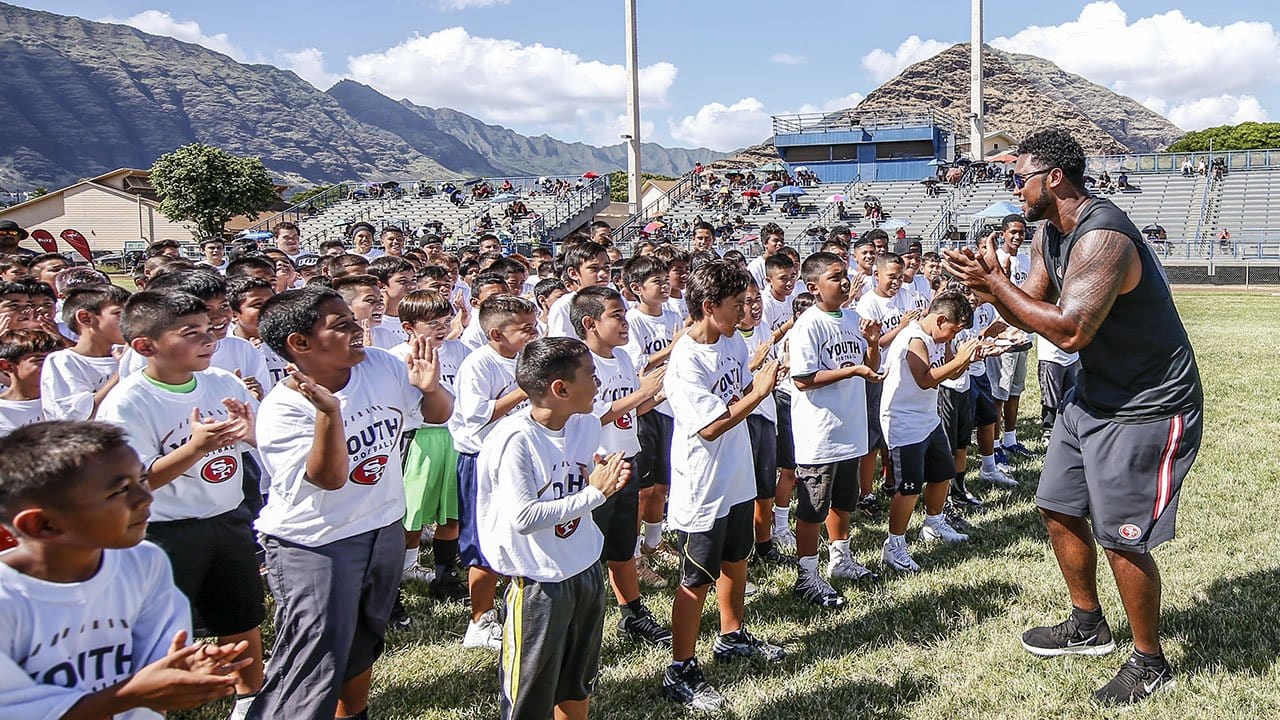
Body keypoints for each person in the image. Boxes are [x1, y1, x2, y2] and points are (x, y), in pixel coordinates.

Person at [943, 127, 1203, 705]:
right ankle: (1088, 623)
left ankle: (1150, 661)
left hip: (1148, 404)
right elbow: (1030, 311)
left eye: (1022, 178)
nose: (1015, 187)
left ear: (1054, 177)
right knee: (1056, 504)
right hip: (1093, 395)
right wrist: (987, 300)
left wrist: (998, 288)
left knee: (1122, 537)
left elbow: (1070, 329)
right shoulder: (1047, 235)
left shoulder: (1103, 237)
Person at [250, 287, 452, 720]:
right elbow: (330, 478)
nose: (357, 329)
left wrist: (429, 388)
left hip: (381, 526)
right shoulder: (284, 407)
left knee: (363, 641)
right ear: (300, 344)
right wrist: (330, 414)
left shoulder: (379, 365)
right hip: (316, 542)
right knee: (315, 654)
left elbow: (437, 414)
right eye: (340, 325)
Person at [0, 420, 252, 719]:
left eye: (142, 479)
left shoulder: (144, 563)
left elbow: (157, 675)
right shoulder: (8, 599)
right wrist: (129, 695)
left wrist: (182, 670)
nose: (145, 498)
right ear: (41, 524)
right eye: (120, 490)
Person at [96, 290, 264, 719]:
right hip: (166, 530)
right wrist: (194, 448)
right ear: (145, 346)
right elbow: (135, 483)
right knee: (163, 626)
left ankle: (250, 697)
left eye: (208, 330)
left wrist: (248, 434)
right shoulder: (128, 402)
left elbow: (261, 445)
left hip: (226, 518)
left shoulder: (222, 382)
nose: (208, 340)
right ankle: (153, 703)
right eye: (190, 333)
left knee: (240, 613)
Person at [660, 261, 784, 711]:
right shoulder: (685, 363)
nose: (745, 313)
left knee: (736, 560)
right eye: (737, 306)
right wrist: (760, 393)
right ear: (709, 307)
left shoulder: (731, 340)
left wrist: (752, 389)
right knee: (696, 578)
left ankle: (731, 636)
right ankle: (681, 667)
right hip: (703, 485)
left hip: (736, 474)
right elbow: (711, 427)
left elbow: (739, 392)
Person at [570, 286, 671, 646]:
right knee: (588, 550)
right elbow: (590, 415)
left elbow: (631, 409)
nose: (626, 322)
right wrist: (642, 393)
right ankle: (582, 619)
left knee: (623, 546)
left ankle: (633, 615)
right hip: (597, 470)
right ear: (590, 323)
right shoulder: (579, 363)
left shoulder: (624, 358)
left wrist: (657, 395)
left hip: (626, 461)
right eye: (617, 315)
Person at [788, 252, 884, 607]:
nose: (844, 282)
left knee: (844, 500)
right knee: (813, 507)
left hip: (850, 428)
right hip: (821, 433)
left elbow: (868, 365)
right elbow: (803, 379)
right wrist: (853, 372)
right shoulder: (808, 325)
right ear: (813, 287)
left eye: (845, 275)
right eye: (835, 277)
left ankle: (840, 559)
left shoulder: (851, 317)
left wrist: (872, 345)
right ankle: (806, 575)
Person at [448, 296, 539, 650]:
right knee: (483, 540)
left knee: (519, 530)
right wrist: (527, 386)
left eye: (535, 326)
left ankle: (519, 607)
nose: (534, 334)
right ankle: (480, 621)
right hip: (481, 460)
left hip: (518, 455)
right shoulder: (479, 364)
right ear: (497, 333)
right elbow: (477, 415)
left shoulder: (523, 358)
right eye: (525, 329)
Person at [878, 292, 983, 573]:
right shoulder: (914, 340)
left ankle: (934, 525)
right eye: (953, 330)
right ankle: (894, 546)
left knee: (942, 474)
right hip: (903, 421)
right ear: (940, 319)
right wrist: (959, 358)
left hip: (927, 418)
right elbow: (924, 380)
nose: (952, 338)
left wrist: (967, 360)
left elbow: (952, 374)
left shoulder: (938, 338)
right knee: (909, 488)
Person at [390, 289, 470, 601]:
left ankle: (444, 575)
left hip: (452, 437)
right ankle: (404, 568)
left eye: (446, 320)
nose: (441, 328)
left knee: (450, 514)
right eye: (432, 322)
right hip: (417, 439)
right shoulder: (396, 356)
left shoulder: (459, 351)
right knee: (411, 513)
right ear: (409, 327)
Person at [620, 256, 683, 580]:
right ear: (636, 289)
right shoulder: (632, 320)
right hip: (646, 409)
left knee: (662, 483)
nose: (663, 285)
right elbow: (638, 365)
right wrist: (671, 347)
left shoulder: (674, 313)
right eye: (655, 282)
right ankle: (632, 555)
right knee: (642, 489)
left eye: (664, 279)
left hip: (672, 407)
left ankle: (654, 542)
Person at [40, 284, 130, 420]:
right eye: (119, 314)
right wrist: (124, 369)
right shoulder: (63, 361)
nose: (130, 322)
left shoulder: (129, 356)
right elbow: (76, 418)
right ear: (85, 318)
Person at [990, 215, 1036, 462]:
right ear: (1002, 233)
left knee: (1016, 391)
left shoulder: (1027, 260)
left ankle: (1011, 439)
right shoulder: (995, 259)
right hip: (1002, 339)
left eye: (1022, 232)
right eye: (1013, 232)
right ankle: (994, 444)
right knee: (999, 393)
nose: (1018, 237)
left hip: (1023, 335)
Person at [0, 329, 60, 434]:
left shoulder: (66, 400)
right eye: (40, 361)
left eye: (54, 360)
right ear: (7, 366)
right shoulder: (3, 410)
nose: (50, 366)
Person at [546, 241, 610, 338]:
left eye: (607, 267)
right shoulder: (564, 307)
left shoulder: (616, 301)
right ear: (573, 273)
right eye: (593, 268)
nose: (603, 274)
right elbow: (562, 347)